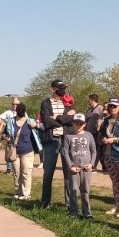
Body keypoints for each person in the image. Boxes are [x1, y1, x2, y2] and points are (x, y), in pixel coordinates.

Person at [39, 79, 75, 209]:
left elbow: (72, 121)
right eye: (60, 88)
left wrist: (58, 118)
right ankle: (45, 203)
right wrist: (64, 119)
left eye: (64, 88)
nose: (63, 90)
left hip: (66, 140)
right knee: (48, 173)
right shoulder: (45, 103)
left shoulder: (68, 103)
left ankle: (70, 204)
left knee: (68, 172)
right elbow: (47, 122)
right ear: (53, 89)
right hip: (51, 141)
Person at [60, 113, 97, 218]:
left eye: (80, 124)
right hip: (74, 169)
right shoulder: (68, 136)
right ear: (73, 124)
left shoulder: (89, 135)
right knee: (73, 191)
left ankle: (87, 213)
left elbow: (94, 150)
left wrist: (91, 164)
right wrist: (70, 166)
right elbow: (65, 152)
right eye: (76, 123)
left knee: (85, 191)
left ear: (84, 124)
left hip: (86, 169)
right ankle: (73, 212)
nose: (78, 126)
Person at [3, 103, 41, 201]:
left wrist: (36, 125)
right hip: (15, 151)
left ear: (25, 111)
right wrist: (6, 137)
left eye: (21, 110)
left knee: (26, 172)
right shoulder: (11, 121)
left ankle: (26, 194)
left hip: (28, 150)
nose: (20, 112)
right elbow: (5, 133)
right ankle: (18, 192)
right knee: (17, 173)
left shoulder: (30, 121)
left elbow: (42, 129)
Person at [0, 97, 20, 174]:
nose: (15, 105)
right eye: (13, 104)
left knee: (18, 152)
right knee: (9, 151)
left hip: (19, 135)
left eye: (16, 104)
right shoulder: (8, 112)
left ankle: (16, 169)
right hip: (10, 135)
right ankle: (9, 169)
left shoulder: (21, 112)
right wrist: (3, 124)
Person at [85, 94, 104, 172]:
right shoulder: (89, 109)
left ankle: (94, 166)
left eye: (89, 99)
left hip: (97, 133)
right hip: (89, 133)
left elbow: (105, 118)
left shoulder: (100, 108)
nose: (88, 101)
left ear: (92, 100)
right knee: (89, 149)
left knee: (96, 149)